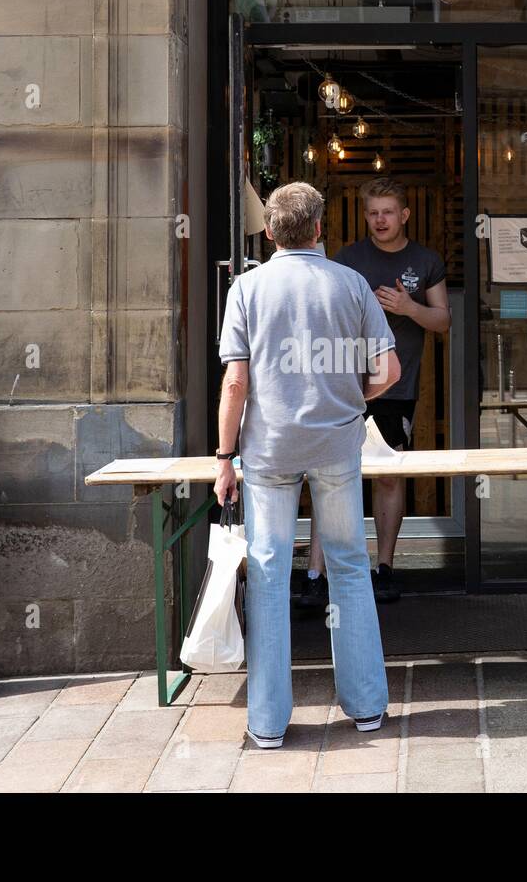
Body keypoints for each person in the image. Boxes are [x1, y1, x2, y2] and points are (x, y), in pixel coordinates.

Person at [215, 181, 403, 749]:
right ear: (321, 228)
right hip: (336, 445)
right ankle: (367, 706)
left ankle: (268, 722)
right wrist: (349, 401)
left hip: (269, 451)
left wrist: (225, 458)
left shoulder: (246, 288)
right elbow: (389, 370)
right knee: (349, 565)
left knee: (269, 575)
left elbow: (236, 382)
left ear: (270, 232)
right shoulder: (351, 285)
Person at [304, 176, 450, 606]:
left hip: (397, 387)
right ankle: (316, 573)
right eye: (373, 212)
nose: (380, 219)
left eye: (388, 212)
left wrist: (409, 307)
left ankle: (384, 567)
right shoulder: (347, 259)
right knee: (327, 475)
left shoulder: (425, 260)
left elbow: (443, 321)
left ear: (404, 215)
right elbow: (322, 315)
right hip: (343, 387)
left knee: (388, 474)